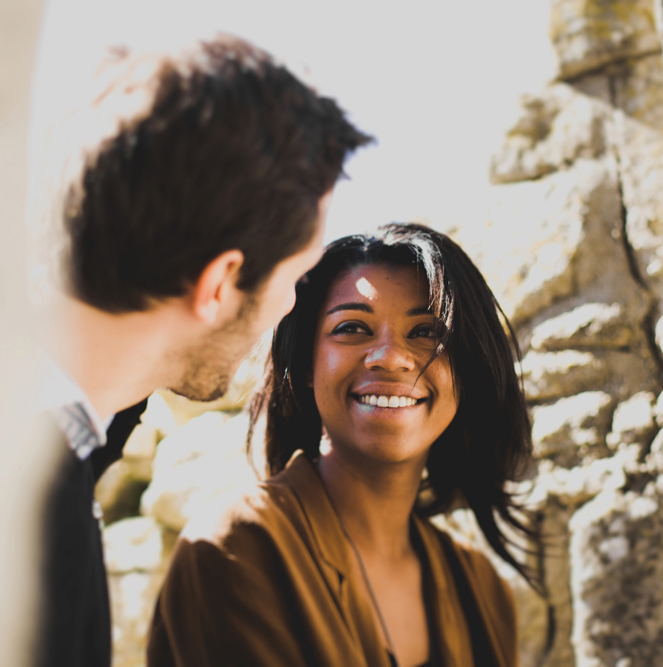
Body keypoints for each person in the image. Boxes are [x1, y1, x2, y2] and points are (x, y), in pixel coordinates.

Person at [35, 34, 371, 667]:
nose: (293, 311)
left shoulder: (49, 445)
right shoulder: (11, 516)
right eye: (295, 282)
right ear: (219, 285)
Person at [147, 223, 540, 667]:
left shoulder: (483, 591)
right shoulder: (236, 548)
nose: (389, 356)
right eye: (353, 327)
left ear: (467, 372)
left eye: (427, 331)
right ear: (308, 365)